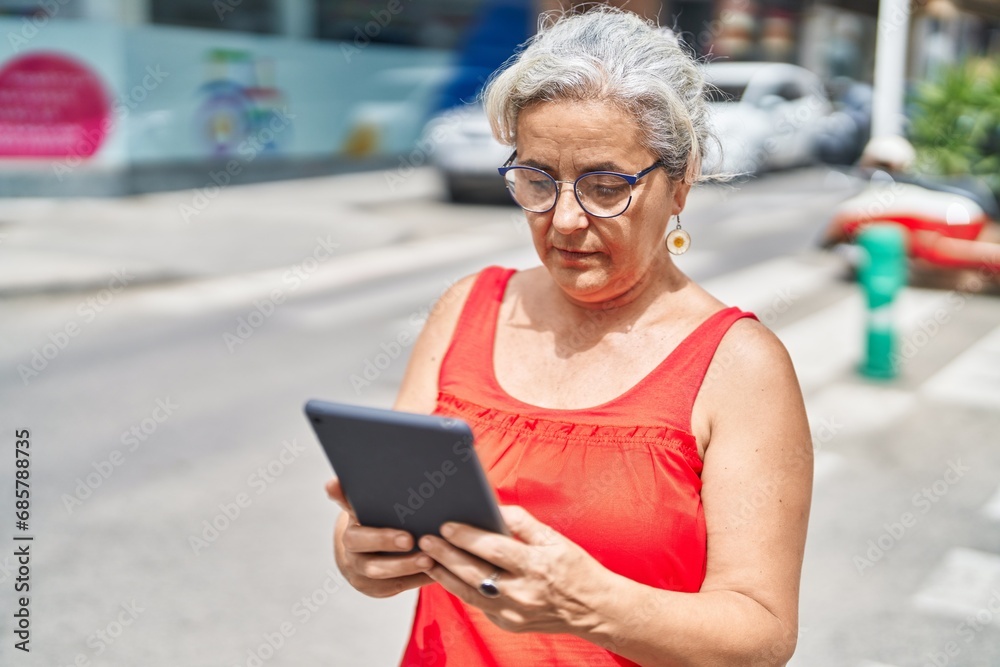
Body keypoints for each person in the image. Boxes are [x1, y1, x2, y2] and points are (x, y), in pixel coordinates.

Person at [326, 8, 813, 665]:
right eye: (537, 180)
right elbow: (385, 531)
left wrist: (594, 606)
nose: (564, 220)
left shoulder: (739, 367)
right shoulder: (468, 305)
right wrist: (363, 552)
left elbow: (761, 635)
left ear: (681, 181)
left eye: (605, 187)